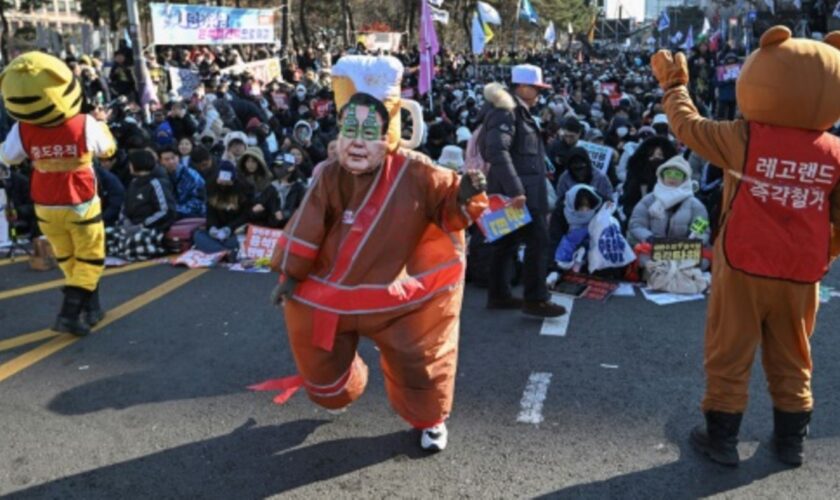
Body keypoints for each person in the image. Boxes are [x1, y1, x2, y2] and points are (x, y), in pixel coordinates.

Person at [253, 55, 488, 452]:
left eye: (369, 129)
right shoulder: (329, 174)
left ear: (390, 129)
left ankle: (430, 420)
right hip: (333, 294)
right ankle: (343, 386)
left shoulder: (418, 171)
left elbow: (449, 210)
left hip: (399, 297)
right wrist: (290, 275)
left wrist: (465, 194)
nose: (358, 140)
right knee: (316, 357)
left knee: (422, 359)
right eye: (350, 127)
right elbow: (307, 223)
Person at [652, 27, 840, 467]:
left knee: (729, 350)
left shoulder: (744, 137)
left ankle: (721, 440)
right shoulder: (835, 152)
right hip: (801, 270)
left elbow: (688, 127)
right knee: (795, 354)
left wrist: (674, 86)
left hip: (744, 260)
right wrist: (827, 253)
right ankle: (791, 443)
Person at [0, 52, 116, 336]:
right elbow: (108, 149)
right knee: (90, 257)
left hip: (45, 202)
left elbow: (9, 157)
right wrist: (101, 123)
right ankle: (70, 311)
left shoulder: (22, 129)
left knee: (67, 257)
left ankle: (91, 309)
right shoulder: (84, 123)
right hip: (80, 199)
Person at [481, 67, 566, 317]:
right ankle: (536, 299)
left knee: (505, 244)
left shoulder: (514, 111)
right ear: (523, 87)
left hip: (519, 191)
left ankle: (499, 295)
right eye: (537, 88)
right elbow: (497, 151)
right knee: (538, 242)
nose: (539, 93)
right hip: (520, 195)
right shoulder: (506, 112)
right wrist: (516, 191)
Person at [627, 155, 710, 275]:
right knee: (642, 258)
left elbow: (704, 231)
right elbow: (636, 225)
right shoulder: (648, 200)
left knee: (702, 260)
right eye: (669, 173)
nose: (672, 178)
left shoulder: (695, 204)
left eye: (677, 174)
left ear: (685, 179)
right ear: (662, 176)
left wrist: (691, 242)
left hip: (683, 252)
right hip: (652, 248)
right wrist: (650, 238)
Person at [107, 149, 177, 261]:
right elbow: (124, 206)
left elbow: (166, 211)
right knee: (106, 233)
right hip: (130, 225)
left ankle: (122, 249)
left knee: (137, 240)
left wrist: (141, 225)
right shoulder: (133, 183)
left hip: (151, 227)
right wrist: (125, 221)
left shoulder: (156, 183)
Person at [193, 161, 252, 257]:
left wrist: (229, 228)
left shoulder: (243, 191)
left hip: (234, 231)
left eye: (227, 183)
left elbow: (245, 216)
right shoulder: (212, 188)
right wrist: (212, 227)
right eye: (221, 182)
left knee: (238, 240)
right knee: (198, 235)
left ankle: (216, 250)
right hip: (217, 232)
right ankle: (226, 253)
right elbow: (210, 214)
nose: (223, 186)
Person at [252, 158, 306, 229]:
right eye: (275, 167)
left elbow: (304, 210)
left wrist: (285, 214)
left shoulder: (299, 187)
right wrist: (256, 210)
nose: (276, 169)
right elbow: (260, 204)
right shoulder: (272, 186)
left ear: (291, 168)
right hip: (272, 228)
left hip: (292, 228)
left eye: (280, 166)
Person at [158, 145, 206, 219]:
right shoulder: (160, 176)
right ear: (161, 161)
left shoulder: (190, 174)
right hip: (171, 213)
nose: (171, 161)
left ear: (178, 158)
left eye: (173, 158)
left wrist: (176, 210)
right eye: (166, 159)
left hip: (194, 215)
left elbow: (200, 199)